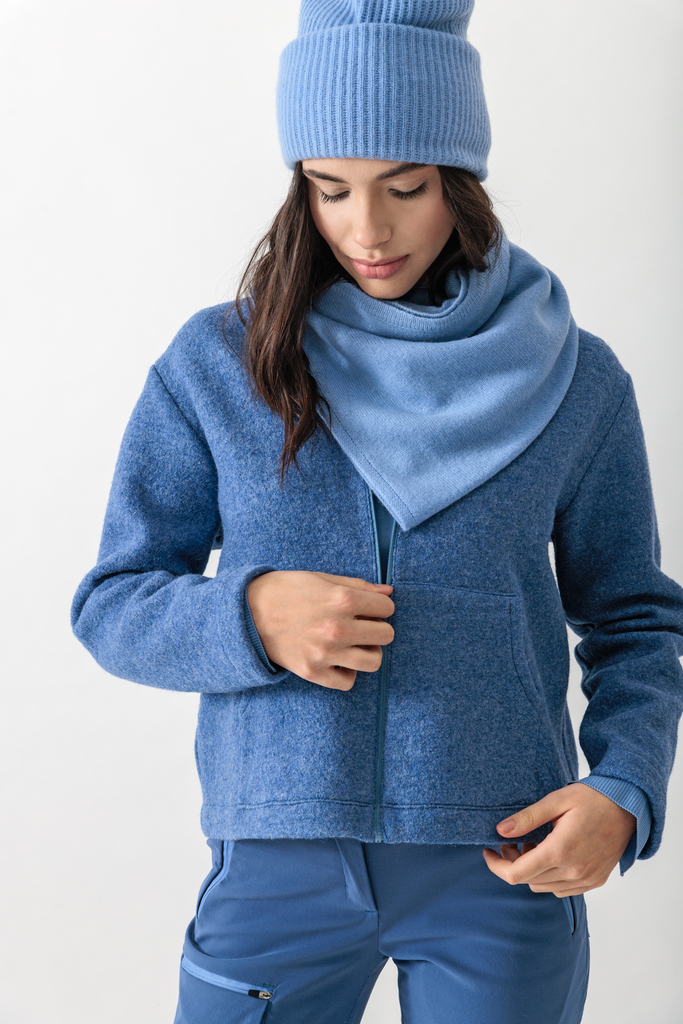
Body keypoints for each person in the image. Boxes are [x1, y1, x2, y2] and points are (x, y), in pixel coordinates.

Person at [70, 2, 683, 1021]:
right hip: (275, 867)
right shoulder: (218, 364)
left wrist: (623, 788)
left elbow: (634, 619)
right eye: (329, 188)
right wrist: (247, 615)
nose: (366, 229)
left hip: (503, 865)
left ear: (458, 179)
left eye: (404, 187)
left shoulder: (574, 379)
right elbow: (112, 601)